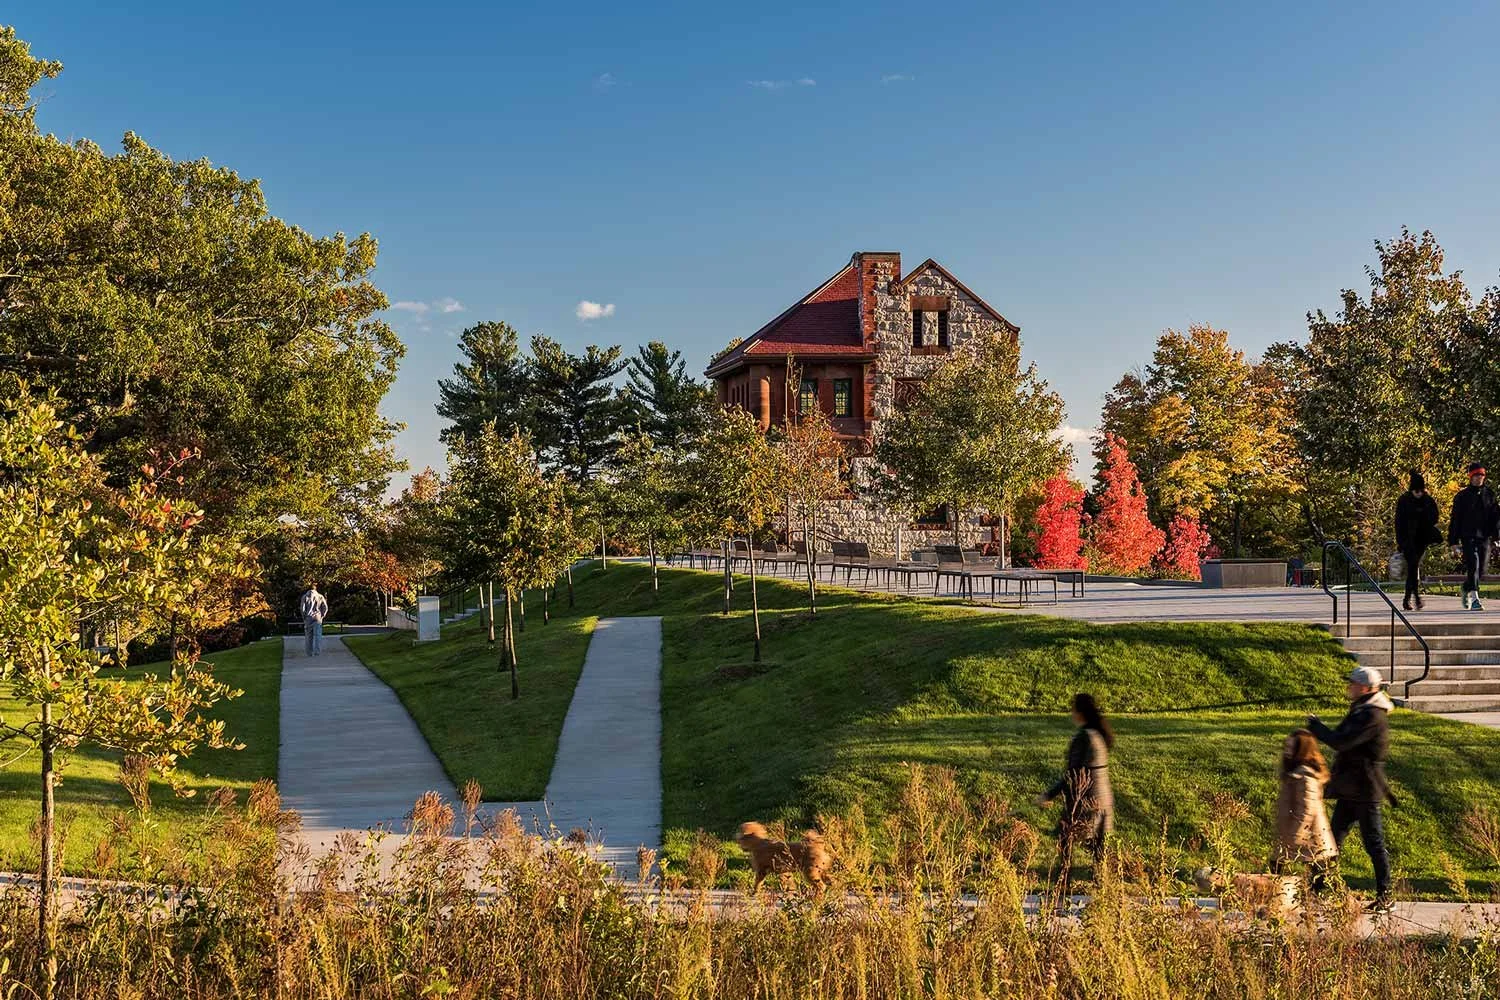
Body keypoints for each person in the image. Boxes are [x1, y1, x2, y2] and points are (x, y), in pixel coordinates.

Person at [1307, 666, 1394, 913]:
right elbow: (1340, 737)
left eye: (1353, 684)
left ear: (1365, 688)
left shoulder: (1372, 716)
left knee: (1373, 843)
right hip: (1351, 788)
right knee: (1331, 840)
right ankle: (1315, 890)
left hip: (1365, 790)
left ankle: (1386, 896)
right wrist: (1320, 728)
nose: (1349, 687)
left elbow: (1342, 742)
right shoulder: (1361, 709)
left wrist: (1317, 727)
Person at [1037, 692, 1114, 899]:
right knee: (1099, 850)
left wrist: (1049, 795)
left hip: (1086, 798)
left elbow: (1073, 774)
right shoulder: (1099, 735)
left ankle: (1063, 885)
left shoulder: (1083, 737)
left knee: (1065, 838)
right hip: (1104, 797)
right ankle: (1101, 890)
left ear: (1080, 712)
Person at [1269, 729, 1337, 888]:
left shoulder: (1306, 775)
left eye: (1291, 747)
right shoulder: (1294, 773)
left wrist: (1295, 835)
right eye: (1286, 746)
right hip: (1294, 836)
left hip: (1309, 837)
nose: (1286, 751)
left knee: (1320, 880)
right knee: (1276, 868)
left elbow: (1307, 809)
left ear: (1301, 750)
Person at [1448, 462, 1499, 611]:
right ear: (1471, 477)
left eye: (1481, 475)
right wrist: (1453, 541)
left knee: (1481, 570)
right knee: (1473, 565)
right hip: (1468, 536)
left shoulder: (1489, 494)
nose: (1479, 478)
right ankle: (1475, 599)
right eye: (1476, 475)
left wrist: (1497, 537)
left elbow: (1496, 517)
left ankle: (1466, 587)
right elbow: (1455, 519)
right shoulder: (1462, 496)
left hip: (1484, 537)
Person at [1394, 471, 1440, 611]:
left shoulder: (1428, 500)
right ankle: (1415, 598)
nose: (1419, 493)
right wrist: (1401, 542)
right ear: (1412, 490)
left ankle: (1408, 598)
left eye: (1421, 490)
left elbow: (1435, 517)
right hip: (1407, 540)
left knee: (1413, 568)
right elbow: (1398, 523)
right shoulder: (1404, 501)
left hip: (1422, 540)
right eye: (1416, 491)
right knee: (1413, 566)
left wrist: (1425, 518)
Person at [299, 583, 329, 656]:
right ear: (315, 588)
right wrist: (322, 615)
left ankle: (309, 652)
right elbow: (325, 607)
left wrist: (304, 617)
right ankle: (317, 652)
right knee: (318, 636)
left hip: (308, 618)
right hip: (318, 617)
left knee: (308, 636)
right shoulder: (320, 596)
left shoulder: (305, 597)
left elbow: (302, 609)